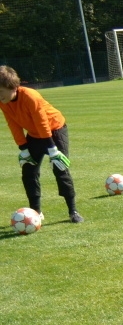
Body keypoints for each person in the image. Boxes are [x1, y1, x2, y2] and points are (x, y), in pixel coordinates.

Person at [1, 66, 82, 223]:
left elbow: (42, 122)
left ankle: (73, 211)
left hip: (55, 130)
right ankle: (35, 212)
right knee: (28, 171)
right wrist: (23, 148)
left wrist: (52, 149)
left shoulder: (30, 96)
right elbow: (13, 124)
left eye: (0, 91)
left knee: (60, 167)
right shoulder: (3, 102)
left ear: (12, 86)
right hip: (34, 134)